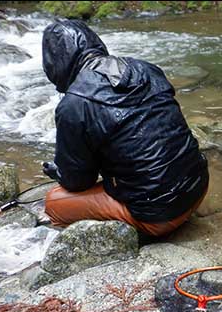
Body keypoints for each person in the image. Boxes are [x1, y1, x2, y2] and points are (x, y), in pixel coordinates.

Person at [40, 19, 208, 236]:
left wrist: (59, 173)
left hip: (160, 214)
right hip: (199, 186)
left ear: (54, 63)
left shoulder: (73, 104)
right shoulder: (145, 68)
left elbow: (78, 182)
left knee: (54, 202)